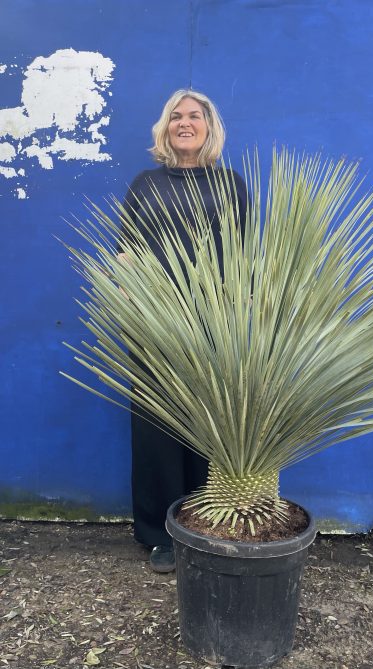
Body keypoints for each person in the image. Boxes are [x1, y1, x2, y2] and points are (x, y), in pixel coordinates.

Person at [117, 89, 248, 573]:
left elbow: (245, 255)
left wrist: (244, 308)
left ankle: (204, 522)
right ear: (165, 128)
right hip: (154, 323)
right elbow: (125, 253)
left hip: (214, 323)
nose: (185, 123)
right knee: (156, 427)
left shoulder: (230, 184)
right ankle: (162, 534)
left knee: (209, 422)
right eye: (176, 117)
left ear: (210, 126)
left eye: (195, 116)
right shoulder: (145, 184)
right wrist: (131, 305)